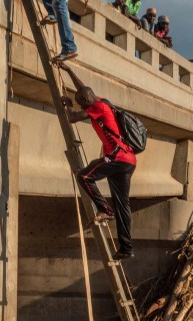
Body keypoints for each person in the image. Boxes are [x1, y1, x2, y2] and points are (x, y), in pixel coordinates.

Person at [55, 61, 137, 259]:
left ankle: (104, 209)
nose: (83, 106)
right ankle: (126, 249)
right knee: (122, 205)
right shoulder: (102, 101)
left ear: (85, 102)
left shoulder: (97, 107)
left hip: (117, 157)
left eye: (82, 104)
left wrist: (67, 105)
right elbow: (84, 90)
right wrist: (69, 70)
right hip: (128, 160)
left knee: (84, 177)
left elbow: (73, 117)